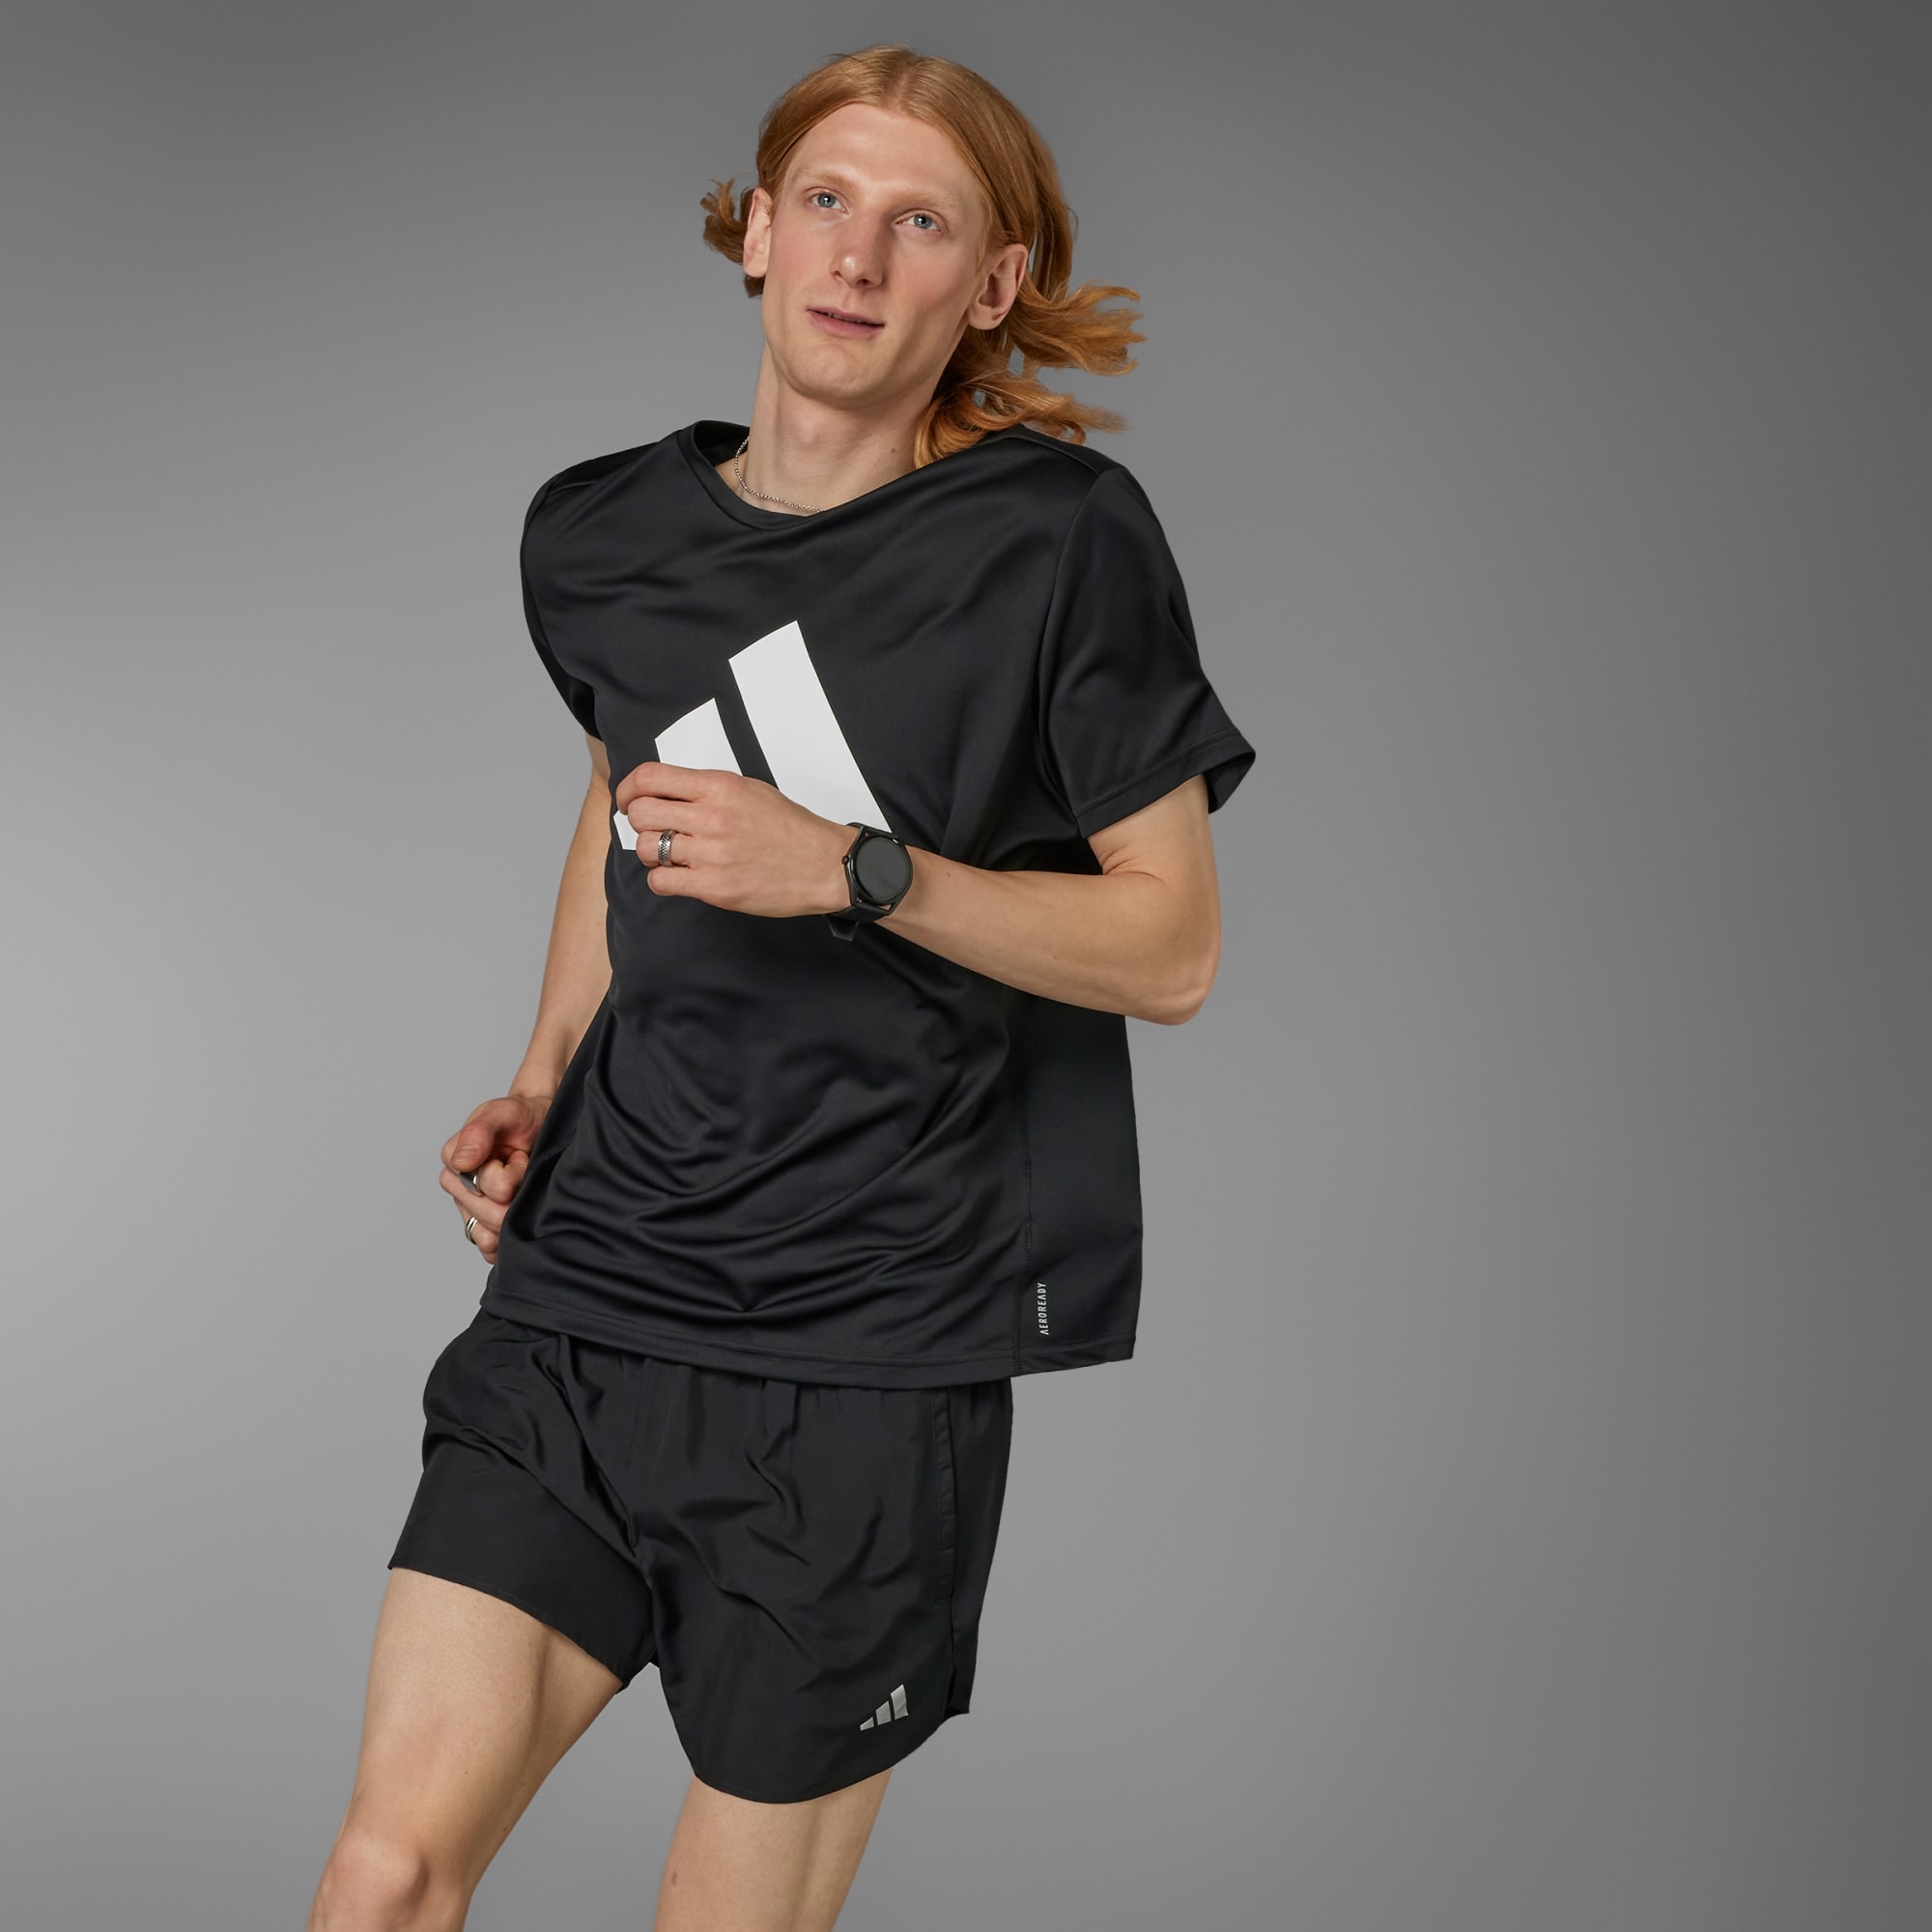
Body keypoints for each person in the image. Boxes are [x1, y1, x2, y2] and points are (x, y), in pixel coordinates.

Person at [308, 43, 1254, 1932]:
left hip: (866, 1352)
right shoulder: (600, 533)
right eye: (825, 199)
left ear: (990, 286)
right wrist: (541, 1072)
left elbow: (1173, 947)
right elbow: (621, 805)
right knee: (386, 1872)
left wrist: (855, 870)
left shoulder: (1058, 543)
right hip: (587, 1301)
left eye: (922, 223)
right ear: (753, 230)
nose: (857, 255)